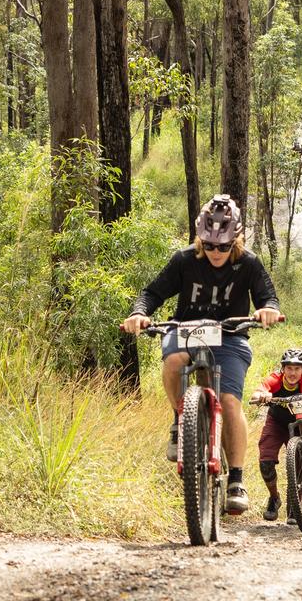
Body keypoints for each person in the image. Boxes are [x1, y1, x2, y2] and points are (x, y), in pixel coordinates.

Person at [121, 194, 282, 516]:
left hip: (231, 336)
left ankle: (236, 480)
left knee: (231, 401)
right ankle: (181, 419)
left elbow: (268, 297)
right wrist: (140, 313)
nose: (216, 253)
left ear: (235, 239)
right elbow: (152, 293)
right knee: (174, 361)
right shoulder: (184, 261)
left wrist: (267, 310)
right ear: (200, 239)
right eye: (209, 246)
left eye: (223, 247)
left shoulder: (248, 263)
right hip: (186, 331)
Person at [250, 348, 302, 522]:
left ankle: (295, 505)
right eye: (289, 368)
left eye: (297, 369)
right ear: (283, 369)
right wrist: (262, 395)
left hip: (300, 423)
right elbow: (258, 390)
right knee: (266, 463)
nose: (292, 373)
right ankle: (274, 498)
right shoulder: (275, 379)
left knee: (301, 462)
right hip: (276, 422)